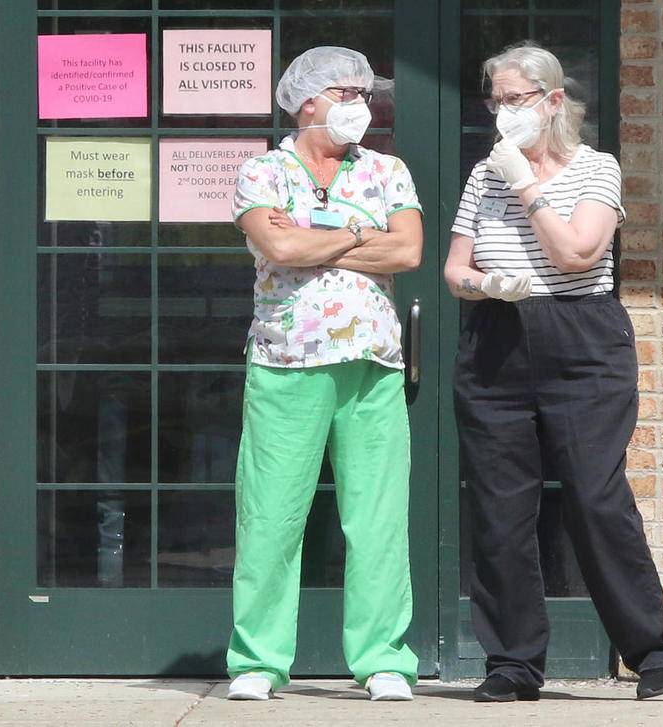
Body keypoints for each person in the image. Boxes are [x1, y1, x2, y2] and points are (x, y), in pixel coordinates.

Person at [444, 42, 663, 703]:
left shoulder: (595, 169)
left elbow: (578, 253)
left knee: (594, 495)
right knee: (500, 509)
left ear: (553, 101)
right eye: (494, 99)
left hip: (582, 342)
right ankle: (514, 663)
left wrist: (524, 182)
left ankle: (651, 648)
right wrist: (485, 281)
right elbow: (453, 268)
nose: (501, 111)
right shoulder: (482, 175)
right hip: (496, 341)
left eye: (514, 98)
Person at [226, 46, 423, 702]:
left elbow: (411, 249)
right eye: (345, 93)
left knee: (377, 518)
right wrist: (361, 234)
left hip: (372, 363)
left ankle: (383, 658)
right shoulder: (263, 171)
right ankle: (258, 659)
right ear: (307, 101)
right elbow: (278, 246)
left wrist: (321, 234)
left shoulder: (388, 169)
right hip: (286, 362)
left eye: (364, 94)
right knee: (272, 515)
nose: (359, 106)